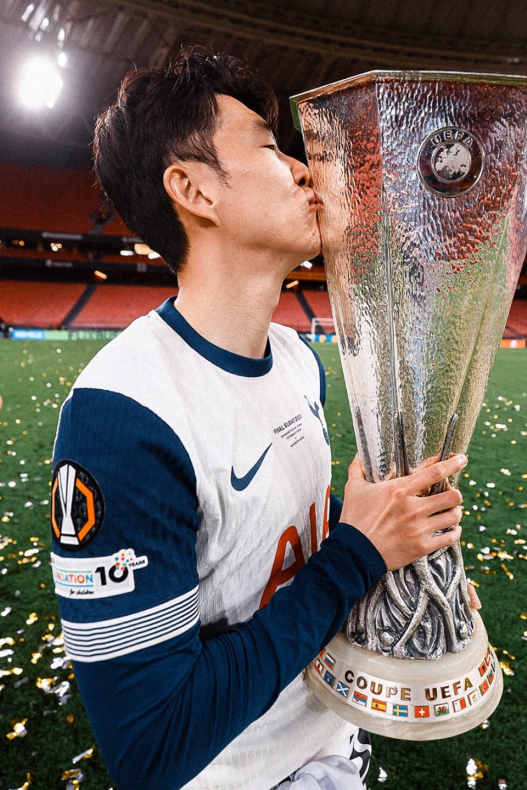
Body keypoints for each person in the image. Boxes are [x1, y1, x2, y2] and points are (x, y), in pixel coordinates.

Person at [50, 46, 479, 790]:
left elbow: (281, 544)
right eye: (268, 148)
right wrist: (358, 554)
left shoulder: (297, 360)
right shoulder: (120, 418)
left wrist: (396, 549)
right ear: (193, 191)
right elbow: (151, 748)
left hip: (334, 743)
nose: (305, 170)